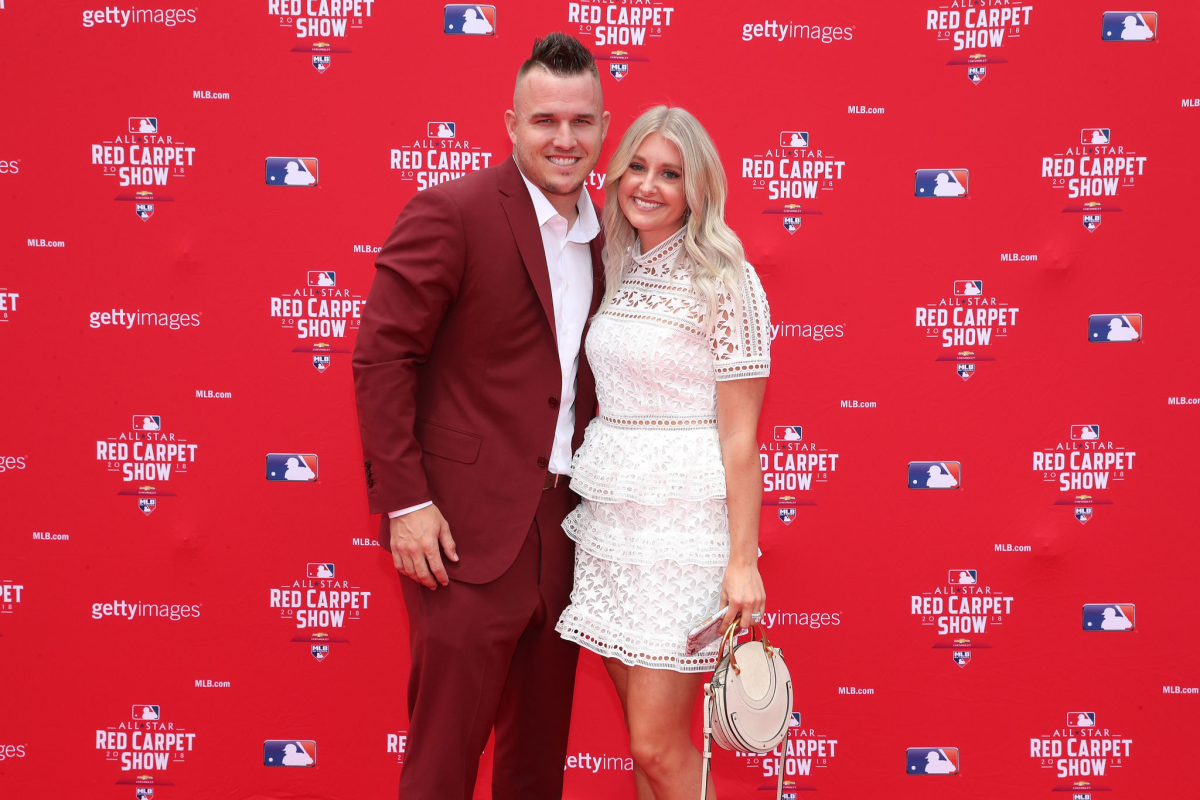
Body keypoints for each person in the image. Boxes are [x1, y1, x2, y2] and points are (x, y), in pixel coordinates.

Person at [351, 33, 609, 799]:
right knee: (443, 763)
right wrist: (407, 502)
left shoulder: (613, 239)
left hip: (565, 532)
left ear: (602, 126)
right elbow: (381, 358)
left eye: (581, 122)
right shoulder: (452, 211)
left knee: (535, 766)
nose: (564, 139)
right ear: (510, 124)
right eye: (545, 121)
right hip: (458, 535)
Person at [554, 106, 771, 799]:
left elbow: (741, 437)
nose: (648, 185)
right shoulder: (618, 266)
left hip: (684, 534)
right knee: (650, 752)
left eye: (670, 174)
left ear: (697, 188)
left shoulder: (727, 280)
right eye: (637, 168)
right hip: (613, 526)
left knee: (655, 744)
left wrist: (742, 563)